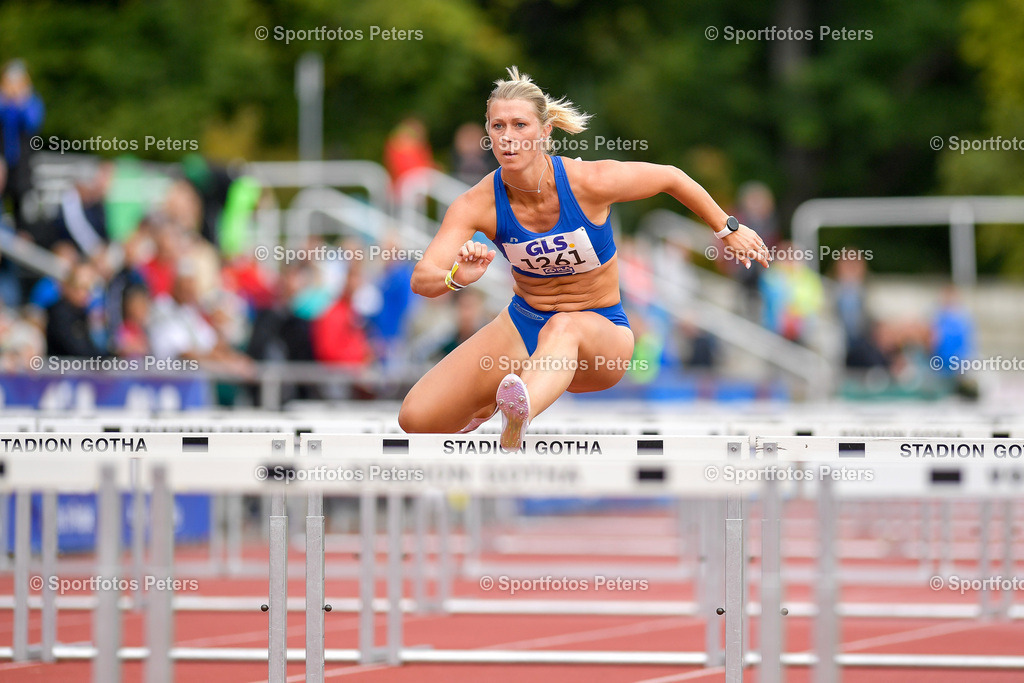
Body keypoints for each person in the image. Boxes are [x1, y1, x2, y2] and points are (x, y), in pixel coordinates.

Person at [398, 67, 771, 449]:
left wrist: (728, 228)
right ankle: (501, 403)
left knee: (565, 327)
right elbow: (423, 277)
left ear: (545, 132)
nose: (508, 138)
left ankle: (517, 415)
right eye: (497, 126)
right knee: (415, 418)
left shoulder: (589, 182)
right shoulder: (478, 203)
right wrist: (457, 276)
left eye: (519, 125)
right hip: (524, 324)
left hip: (600, 335)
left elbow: (671, 177)